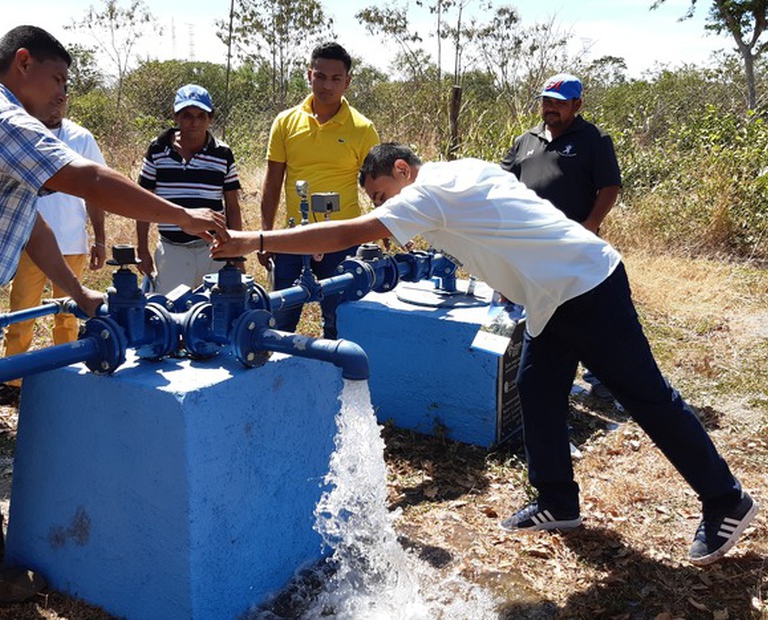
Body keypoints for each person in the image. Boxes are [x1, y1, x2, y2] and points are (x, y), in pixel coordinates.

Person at [211, 142, 758, 567]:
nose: (386, 209)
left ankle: (726, 500)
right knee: (538, 388)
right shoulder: (466, 169)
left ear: (403, 169)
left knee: (646, 397)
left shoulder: (423, 193)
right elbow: (512, 215)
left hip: (583, 287)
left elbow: (345, 236)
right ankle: (558, 502)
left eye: (382, 193)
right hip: (551, 295)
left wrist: (254, 241)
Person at [0, 25, 225, 603]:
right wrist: (185, 216)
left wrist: (78, 292)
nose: (62, 95)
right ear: (24, 63)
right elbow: (89, 178)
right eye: (58, 80)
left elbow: (32, 225)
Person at [502, 72, 622, 400]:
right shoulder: (526, 140)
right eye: (546, 101)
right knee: (539, 308)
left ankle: (601, 378)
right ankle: (545, 373)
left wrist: (591, 223)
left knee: (586, 310)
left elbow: (609, 186)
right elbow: (501, 183)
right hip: (529, 244)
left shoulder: (593, 139)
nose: (551, 108)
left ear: (577, 104)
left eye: (559, 102)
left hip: (574, 244)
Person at [258, 41, 379, 338]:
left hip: (344, 239)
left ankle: (341, 383)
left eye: (336, 78)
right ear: (309, 75)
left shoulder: (362, 129)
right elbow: (273, 182)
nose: (327, 85)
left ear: (347, 82)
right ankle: (278, 380)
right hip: (293, 238)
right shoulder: (285, 122)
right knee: (280, 324)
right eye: (321, 76)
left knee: (341, 324)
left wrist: (383, 230)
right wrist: (266, 234)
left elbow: (378, 185)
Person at [0, 94, 107, 405]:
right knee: (21, 312)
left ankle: (67, 375)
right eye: (52, 98)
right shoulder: (24, 134)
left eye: (61, 100)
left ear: (68, 102)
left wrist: (99, 238)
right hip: (30, 242)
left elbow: (96, 190)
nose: (55, 105)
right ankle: (11, 381)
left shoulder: (80, 137)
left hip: (72, 242)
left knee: (68, 314)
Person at [136, 84, 243, 293]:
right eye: (187, 115)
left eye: (201, 116)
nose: (194, 122)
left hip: (212, 249)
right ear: (175, 116)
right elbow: (144, 202)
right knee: (171, 316)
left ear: (210, 119)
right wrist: (142, 249)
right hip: (172, 249)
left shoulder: (222, 153)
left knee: (217, 312)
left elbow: (232, 205)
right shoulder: (158, 150)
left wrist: (236, 250)